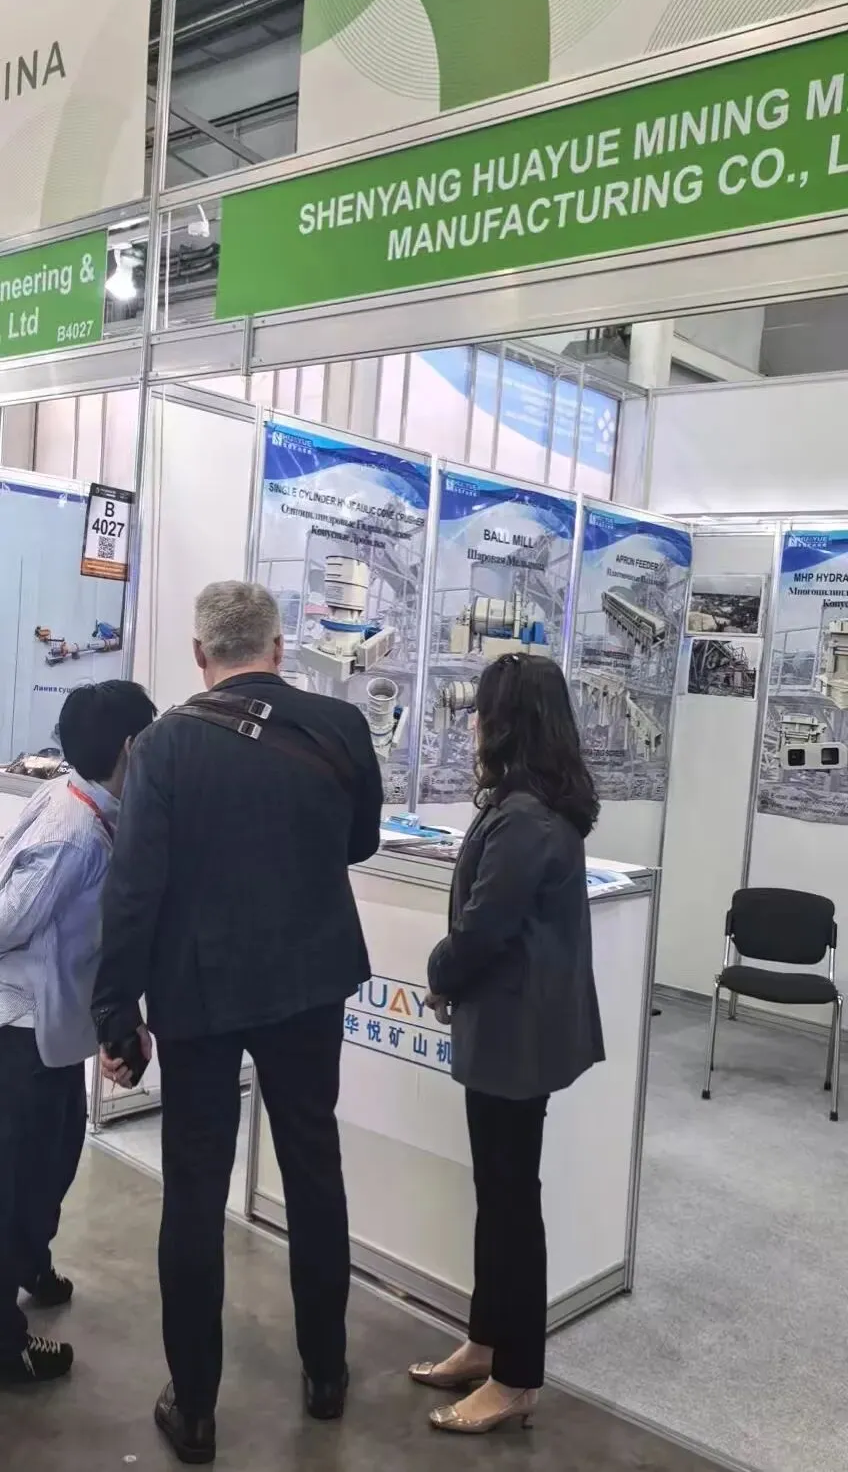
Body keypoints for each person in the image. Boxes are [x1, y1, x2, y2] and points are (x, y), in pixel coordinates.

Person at [91, 580, 383, 1466]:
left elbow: (134, 889)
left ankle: (196, 1410)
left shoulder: (165, 745)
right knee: (315, 1171)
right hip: (309, 981)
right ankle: (326, 1376)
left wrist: (117, 1015)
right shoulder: (342, 726)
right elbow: (361, 841)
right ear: (279, 647)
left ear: (199, 654)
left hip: (200, 991)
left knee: (193, 1191)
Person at [409, 653, 605, 1434]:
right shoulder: (535, 805)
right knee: (499, 1194)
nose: (472, 722)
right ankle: (487, 1340)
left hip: (514, 1038)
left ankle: (516, 1376)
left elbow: (484, 927)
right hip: (513, 1031)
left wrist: (439, 972)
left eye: (482, 708)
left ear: (506, 722)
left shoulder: (527, 818)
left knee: (512, 1203)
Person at [0, 680, 156, 1385]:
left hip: (51, 1029)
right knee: (18, 1178)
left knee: (56, 1155)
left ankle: (30, 1260)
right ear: (130, 746)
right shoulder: (75, 830)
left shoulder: (82, 803)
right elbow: (8, 920)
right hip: (23, 1031)